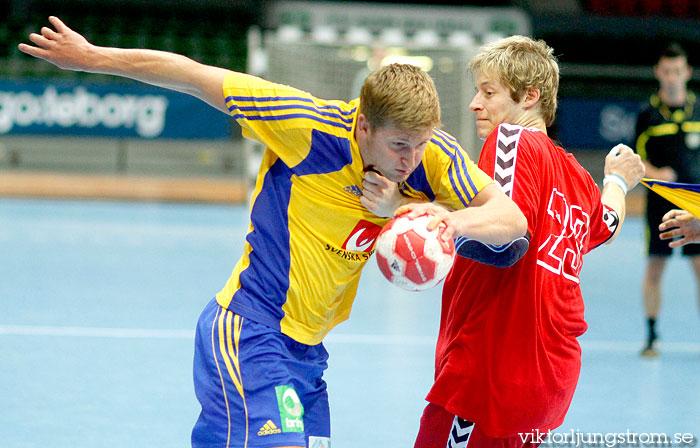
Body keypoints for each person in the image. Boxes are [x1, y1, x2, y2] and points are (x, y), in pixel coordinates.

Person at [18, 17, 527, 448]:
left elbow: (511, 220)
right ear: (363, 126)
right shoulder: (305, 125)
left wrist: (436, 218)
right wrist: (91, 57)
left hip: (308, 355)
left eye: (418, 145)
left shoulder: (430, 157)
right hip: (248, 331)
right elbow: (195, 75)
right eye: (399, 146)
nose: (409, 159)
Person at [392, 36, 644, 447]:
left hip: (492, 377)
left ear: (530, 96)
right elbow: (608, 223)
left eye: (488, 92)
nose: (475, 103)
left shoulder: (513, 140)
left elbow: (509, 231)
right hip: (548, 384)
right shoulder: (578, 178)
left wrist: (440, 225)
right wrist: (617, 180)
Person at [634, 42, 700, 358]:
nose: (672, 77)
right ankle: (651, 336)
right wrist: (657, 172)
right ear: (659, 73)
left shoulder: (699, 110)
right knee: (655, 269)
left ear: (686, 73)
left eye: (678, 71)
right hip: (660, 206)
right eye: (667, 71)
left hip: (697, 205)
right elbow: (634, 161)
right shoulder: (647, 115)